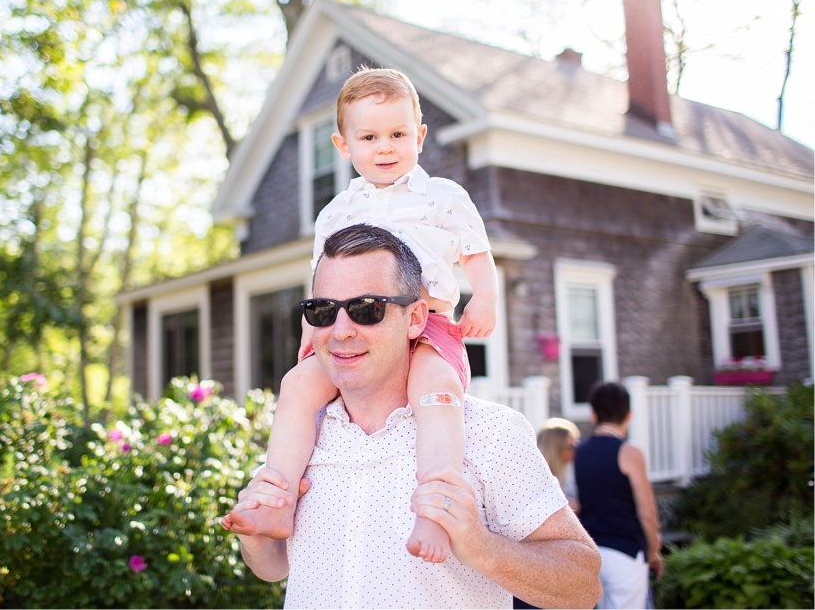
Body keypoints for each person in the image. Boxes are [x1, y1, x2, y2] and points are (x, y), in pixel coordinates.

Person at [225, 224, 601, 608]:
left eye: (366, 309)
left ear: (417, 319)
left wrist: (483, 548)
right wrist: (255, 542)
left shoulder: (490, 433)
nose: (340, 331)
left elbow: (584, 587)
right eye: (322, 310)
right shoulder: (298, 435)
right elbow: (275, 566)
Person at [222, 67, 498, 564]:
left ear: (420, 135)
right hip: (352, 324)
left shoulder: (443, 197)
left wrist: (484, 298)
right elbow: (321, 283)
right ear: (342, 145)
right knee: (298, 386)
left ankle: (435, 508)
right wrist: (312, 344)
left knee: (436, 390)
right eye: (369, 136)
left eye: (397, 134)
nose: (386, 146)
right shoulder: (336, 211)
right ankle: (277, 498)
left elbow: (476, 254)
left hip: (427, 321)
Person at [574, 381, 664, 609]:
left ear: (593, 415)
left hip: (591, 553)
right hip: (625, 552)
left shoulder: (579, 452)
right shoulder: (629, 452)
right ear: (629, 415)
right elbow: (647, 512)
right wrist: (653, 551)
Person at [537, 417, 581, 513]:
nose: (576, 450)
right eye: (571, 446)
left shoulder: (569, 470)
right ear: (555, 448)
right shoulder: (541, 480)